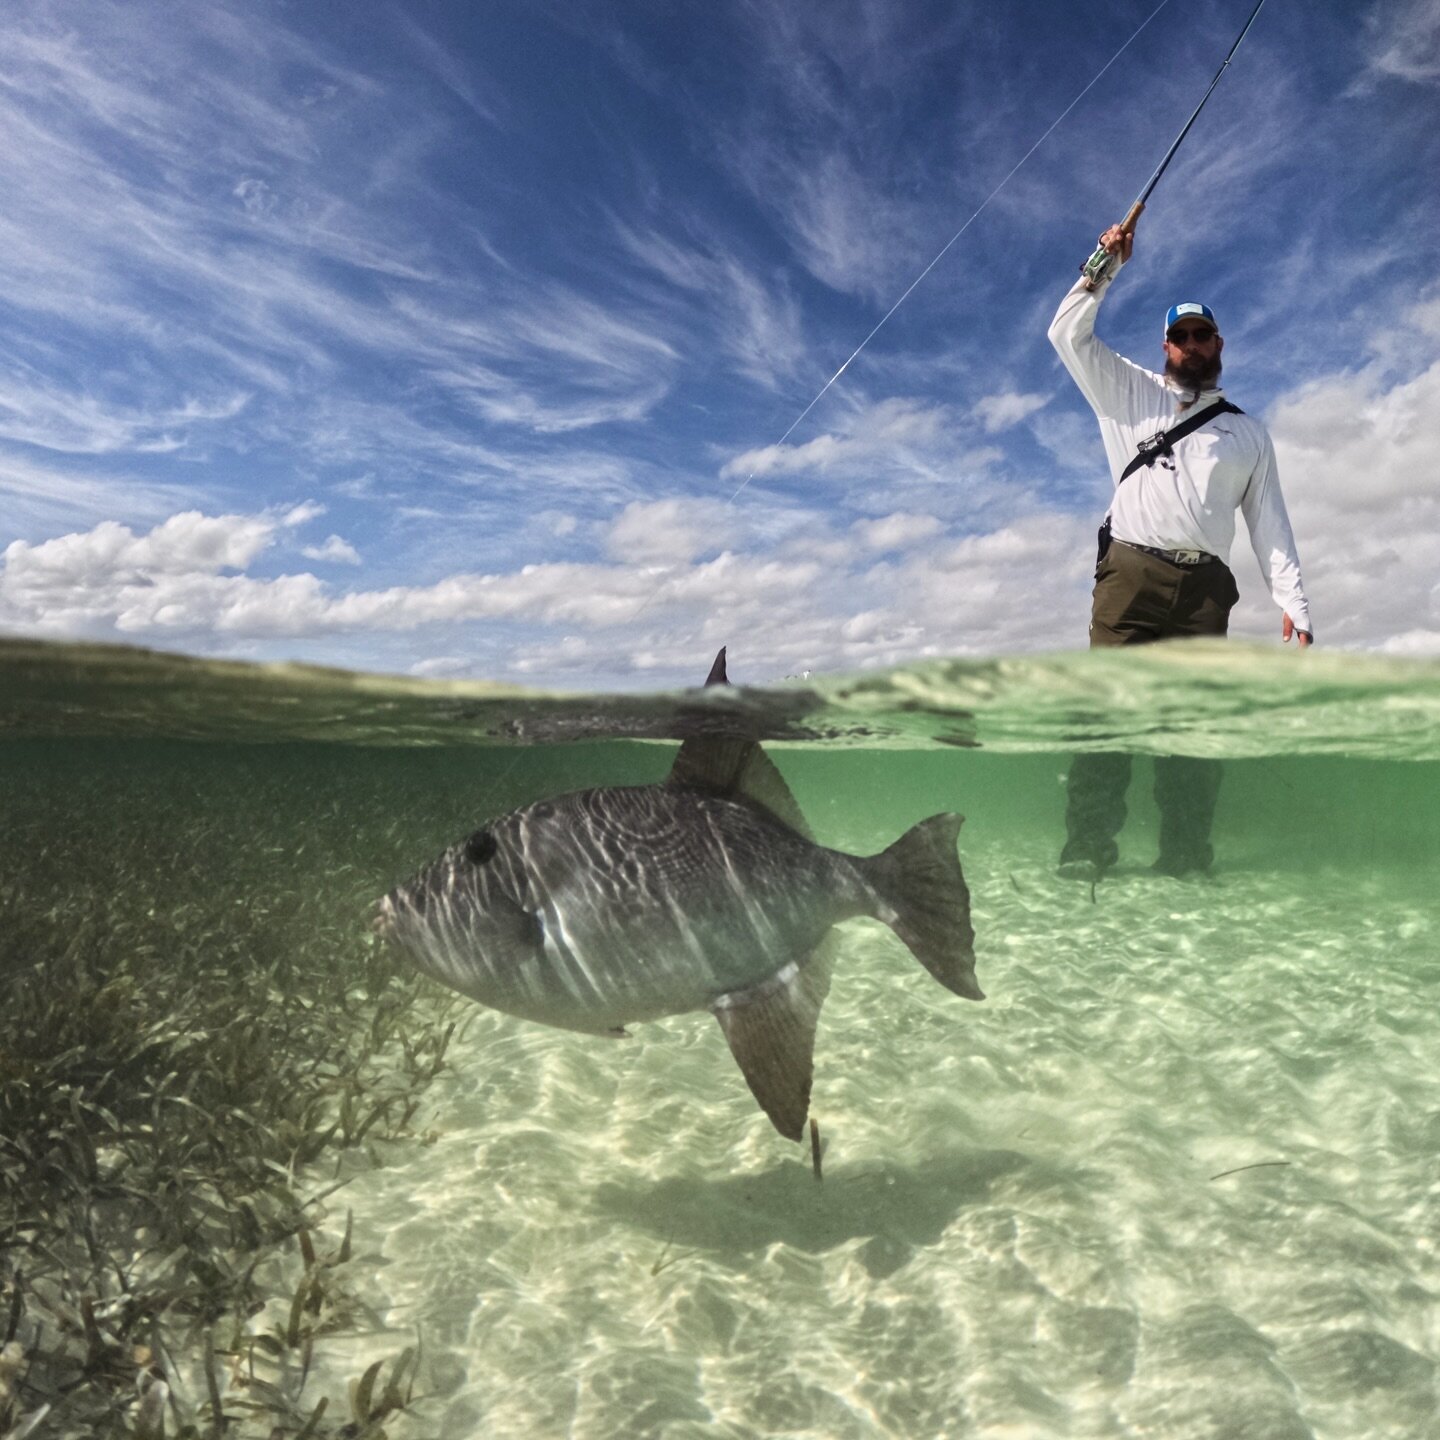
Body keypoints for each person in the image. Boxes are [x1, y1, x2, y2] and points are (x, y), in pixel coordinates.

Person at [1048, 223, 1312, 879]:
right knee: (1107, 720)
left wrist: (1294, 602)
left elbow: (1268, 518)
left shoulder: (1249, 433)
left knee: (1191, 736)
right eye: (1180, 336)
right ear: (1165, 345)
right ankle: (1088, 849)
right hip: (1129, 578)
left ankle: (1187, 857)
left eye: (1202, 335)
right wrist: (1105, 264)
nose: (1191, 345)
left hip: (1204, 596)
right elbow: (1064, 335)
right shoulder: (1127, 389)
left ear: (1218, 343)